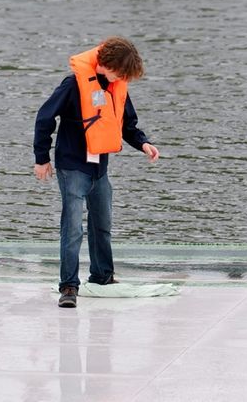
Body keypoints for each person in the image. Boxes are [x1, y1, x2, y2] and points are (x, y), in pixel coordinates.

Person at [33, 36, 160, 308]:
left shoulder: (117, 86)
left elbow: (128, 125)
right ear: (104, 65)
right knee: (72, 228)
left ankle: (102, 276)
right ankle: (68, 285)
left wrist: (144, 143)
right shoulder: (73, 84)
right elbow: (44, 118)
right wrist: (41, 158)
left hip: (99, 168)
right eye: (121, 72)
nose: (123, 78)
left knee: (102, 224)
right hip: (73, 166)